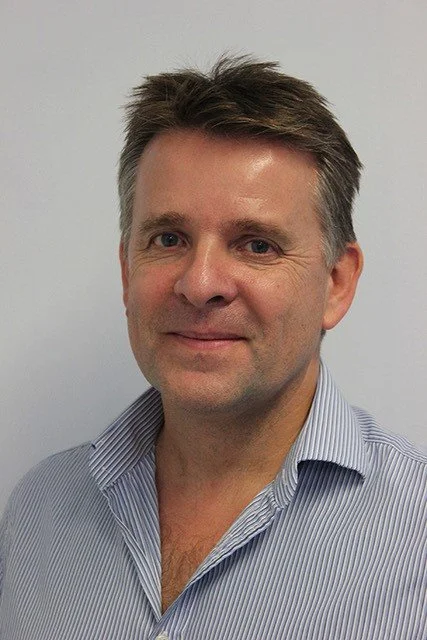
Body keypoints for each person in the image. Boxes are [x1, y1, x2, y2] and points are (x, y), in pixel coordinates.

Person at [0, 56, 425, 640]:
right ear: (127, 271)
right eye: (168, 238)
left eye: (257, 245)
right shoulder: (37, 514)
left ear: (336, 283)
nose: (200, 284)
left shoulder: (415, 535)